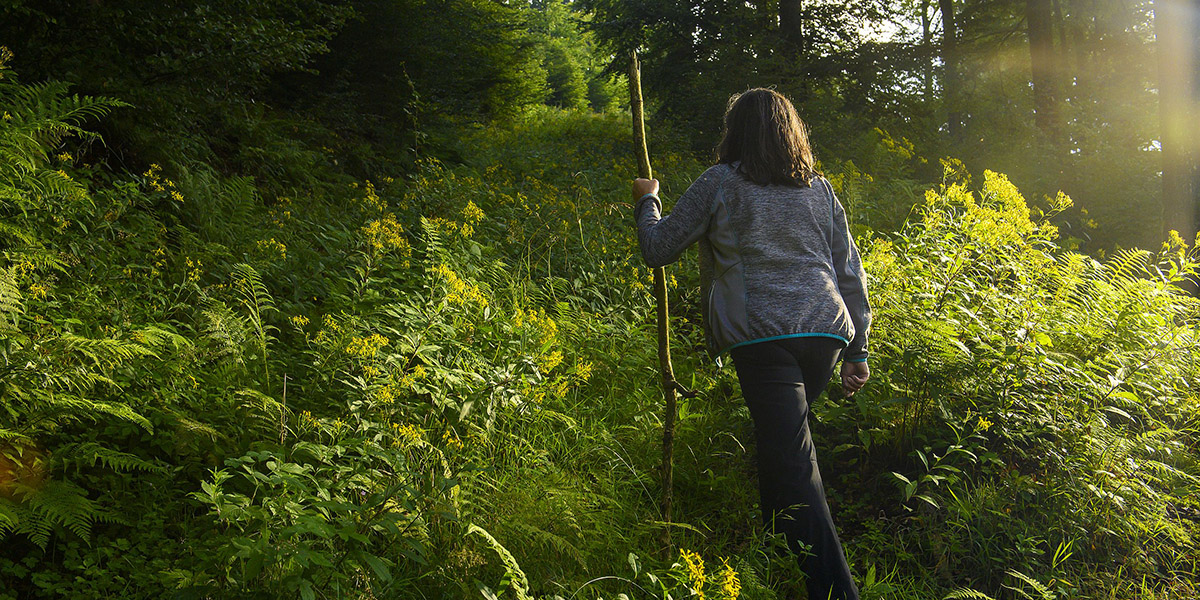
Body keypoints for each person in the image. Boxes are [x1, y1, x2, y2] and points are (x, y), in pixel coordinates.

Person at [632, 88, 870, 600]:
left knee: (795, 465)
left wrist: (646, 199)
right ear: (792, 133)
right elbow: (850, 271)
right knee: (781, 451)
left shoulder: (720, 182)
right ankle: (774, 556)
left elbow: (658, 248)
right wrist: (858, 350)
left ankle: (835, 592)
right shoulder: (819, 190)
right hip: (826, 332)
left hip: (764, 338)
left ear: (735, 130)